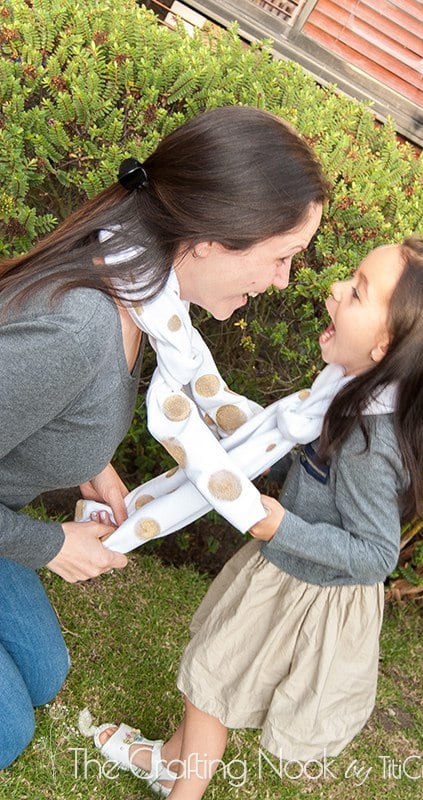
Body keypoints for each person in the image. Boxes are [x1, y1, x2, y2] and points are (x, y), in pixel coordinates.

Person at [89, 237, 423, 798]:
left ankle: (184, 789)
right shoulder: (348, 392)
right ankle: (170, 760)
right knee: (211, 673)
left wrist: (280, 526)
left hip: (305, 589)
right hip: (285, 566)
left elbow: (377, 555)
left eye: (356, 291)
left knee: (211, 686)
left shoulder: (371, 442)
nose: (334, 289)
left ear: (385, 345)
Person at [0, 105, 328, 769]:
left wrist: (98, 470)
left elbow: (56, 407)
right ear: (210, 238)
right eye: (281, 257)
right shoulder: (78, 330)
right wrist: (49, 544)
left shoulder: (145, 296)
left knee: (44, 674)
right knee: (9, 733)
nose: (283, 281)